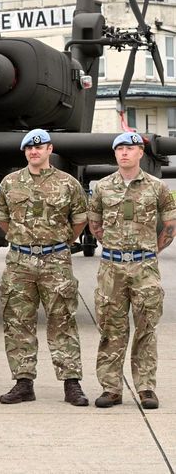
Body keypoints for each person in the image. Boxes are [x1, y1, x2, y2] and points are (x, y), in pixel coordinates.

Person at [0, 128, 90, 406]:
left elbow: (79, 220)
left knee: (63, 320)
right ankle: (23, 382)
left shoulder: (68, 183)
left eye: (39, 147)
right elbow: (2, 218)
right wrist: (23, 239)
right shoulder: (10, 183)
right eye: (29, 148)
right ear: (25, 152)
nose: (34, 151)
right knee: (17, 321)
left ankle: (71, 383)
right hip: (20, 261)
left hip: (55, 261)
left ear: (50, 149)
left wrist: (59, 242)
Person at [88, 131, 176, 409]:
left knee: (146, 327)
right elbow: (95, 223)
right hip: (111, 267)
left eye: (130, 148)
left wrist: (151, 251)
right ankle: (111, 388)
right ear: (115, 154)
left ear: (140, 153)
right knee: (110, 327)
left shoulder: (157, 187)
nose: (124, 153)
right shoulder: (102, 187)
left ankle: (146, 388)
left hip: (144, 267)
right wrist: (112, 247)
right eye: (120, 149)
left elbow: (170, 225)